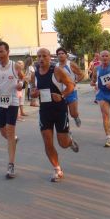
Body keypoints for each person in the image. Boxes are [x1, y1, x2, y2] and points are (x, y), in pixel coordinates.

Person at [30, 48, 79, 182]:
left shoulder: (56, 71)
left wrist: (62, 95)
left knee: (63, 143)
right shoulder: (35, 74)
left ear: (49, 57)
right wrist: (33, 94)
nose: (41, 59)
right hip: (45, 111)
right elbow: (32, 91)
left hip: (59, 109)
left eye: (44, 56)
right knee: (47, 142)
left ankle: (70, 141)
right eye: (38, 56)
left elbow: (71, 85)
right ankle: (57, 169)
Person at [0, 41, 24, 179]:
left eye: (1, 51)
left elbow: (23, 79)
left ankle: (11, 165)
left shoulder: (16, 66)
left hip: (12, 102)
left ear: (8, 52)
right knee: (3, 132)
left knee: (10, 130)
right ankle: (13, 139)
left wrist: (20, 85)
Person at [55, 47, 84, 127]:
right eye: (59, 54)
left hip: (71, 91)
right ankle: (67, 131)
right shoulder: (56, 67)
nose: (60, 55)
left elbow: (81, 74)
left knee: (73, 113)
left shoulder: (71, 64)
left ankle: (76, 117)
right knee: (63, 114)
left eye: (62, 53)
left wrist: (75, 82)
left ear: (66, 55)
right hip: (61, 92)